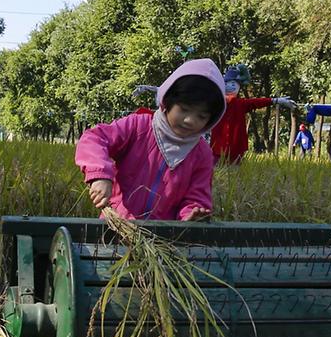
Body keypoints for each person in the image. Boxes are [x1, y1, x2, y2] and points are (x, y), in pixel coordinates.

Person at [76, 59, 226, 221]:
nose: (190, 120)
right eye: (184, 109)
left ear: (211, 119)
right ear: (167, 101)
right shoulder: (138, 126)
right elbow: (94, 138)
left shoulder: (201, 153)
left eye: (201, 116)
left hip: (161, 239)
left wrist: (192, 215)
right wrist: (100, 176)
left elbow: (197, 196)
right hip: (115, 227)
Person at [209, 65, 297, 163]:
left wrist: (277, 100)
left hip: (236, 149)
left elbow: (258, 102)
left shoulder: (241, 104)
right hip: (217, 148)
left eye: (234, 84)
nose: (230, 86)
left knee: (235, 173)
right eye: (227, 84)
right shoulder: (215, 102)